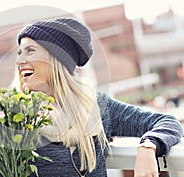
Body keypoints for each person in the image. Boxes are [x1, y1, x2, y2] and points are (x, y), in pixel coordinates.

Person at [15, 17, 183, 177]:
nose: (19, 61)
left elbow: (168, 122)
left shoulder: (97, 106)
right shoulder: (13, 115)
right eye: (19, 52)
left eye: (30, 51)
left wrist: (148, 146)